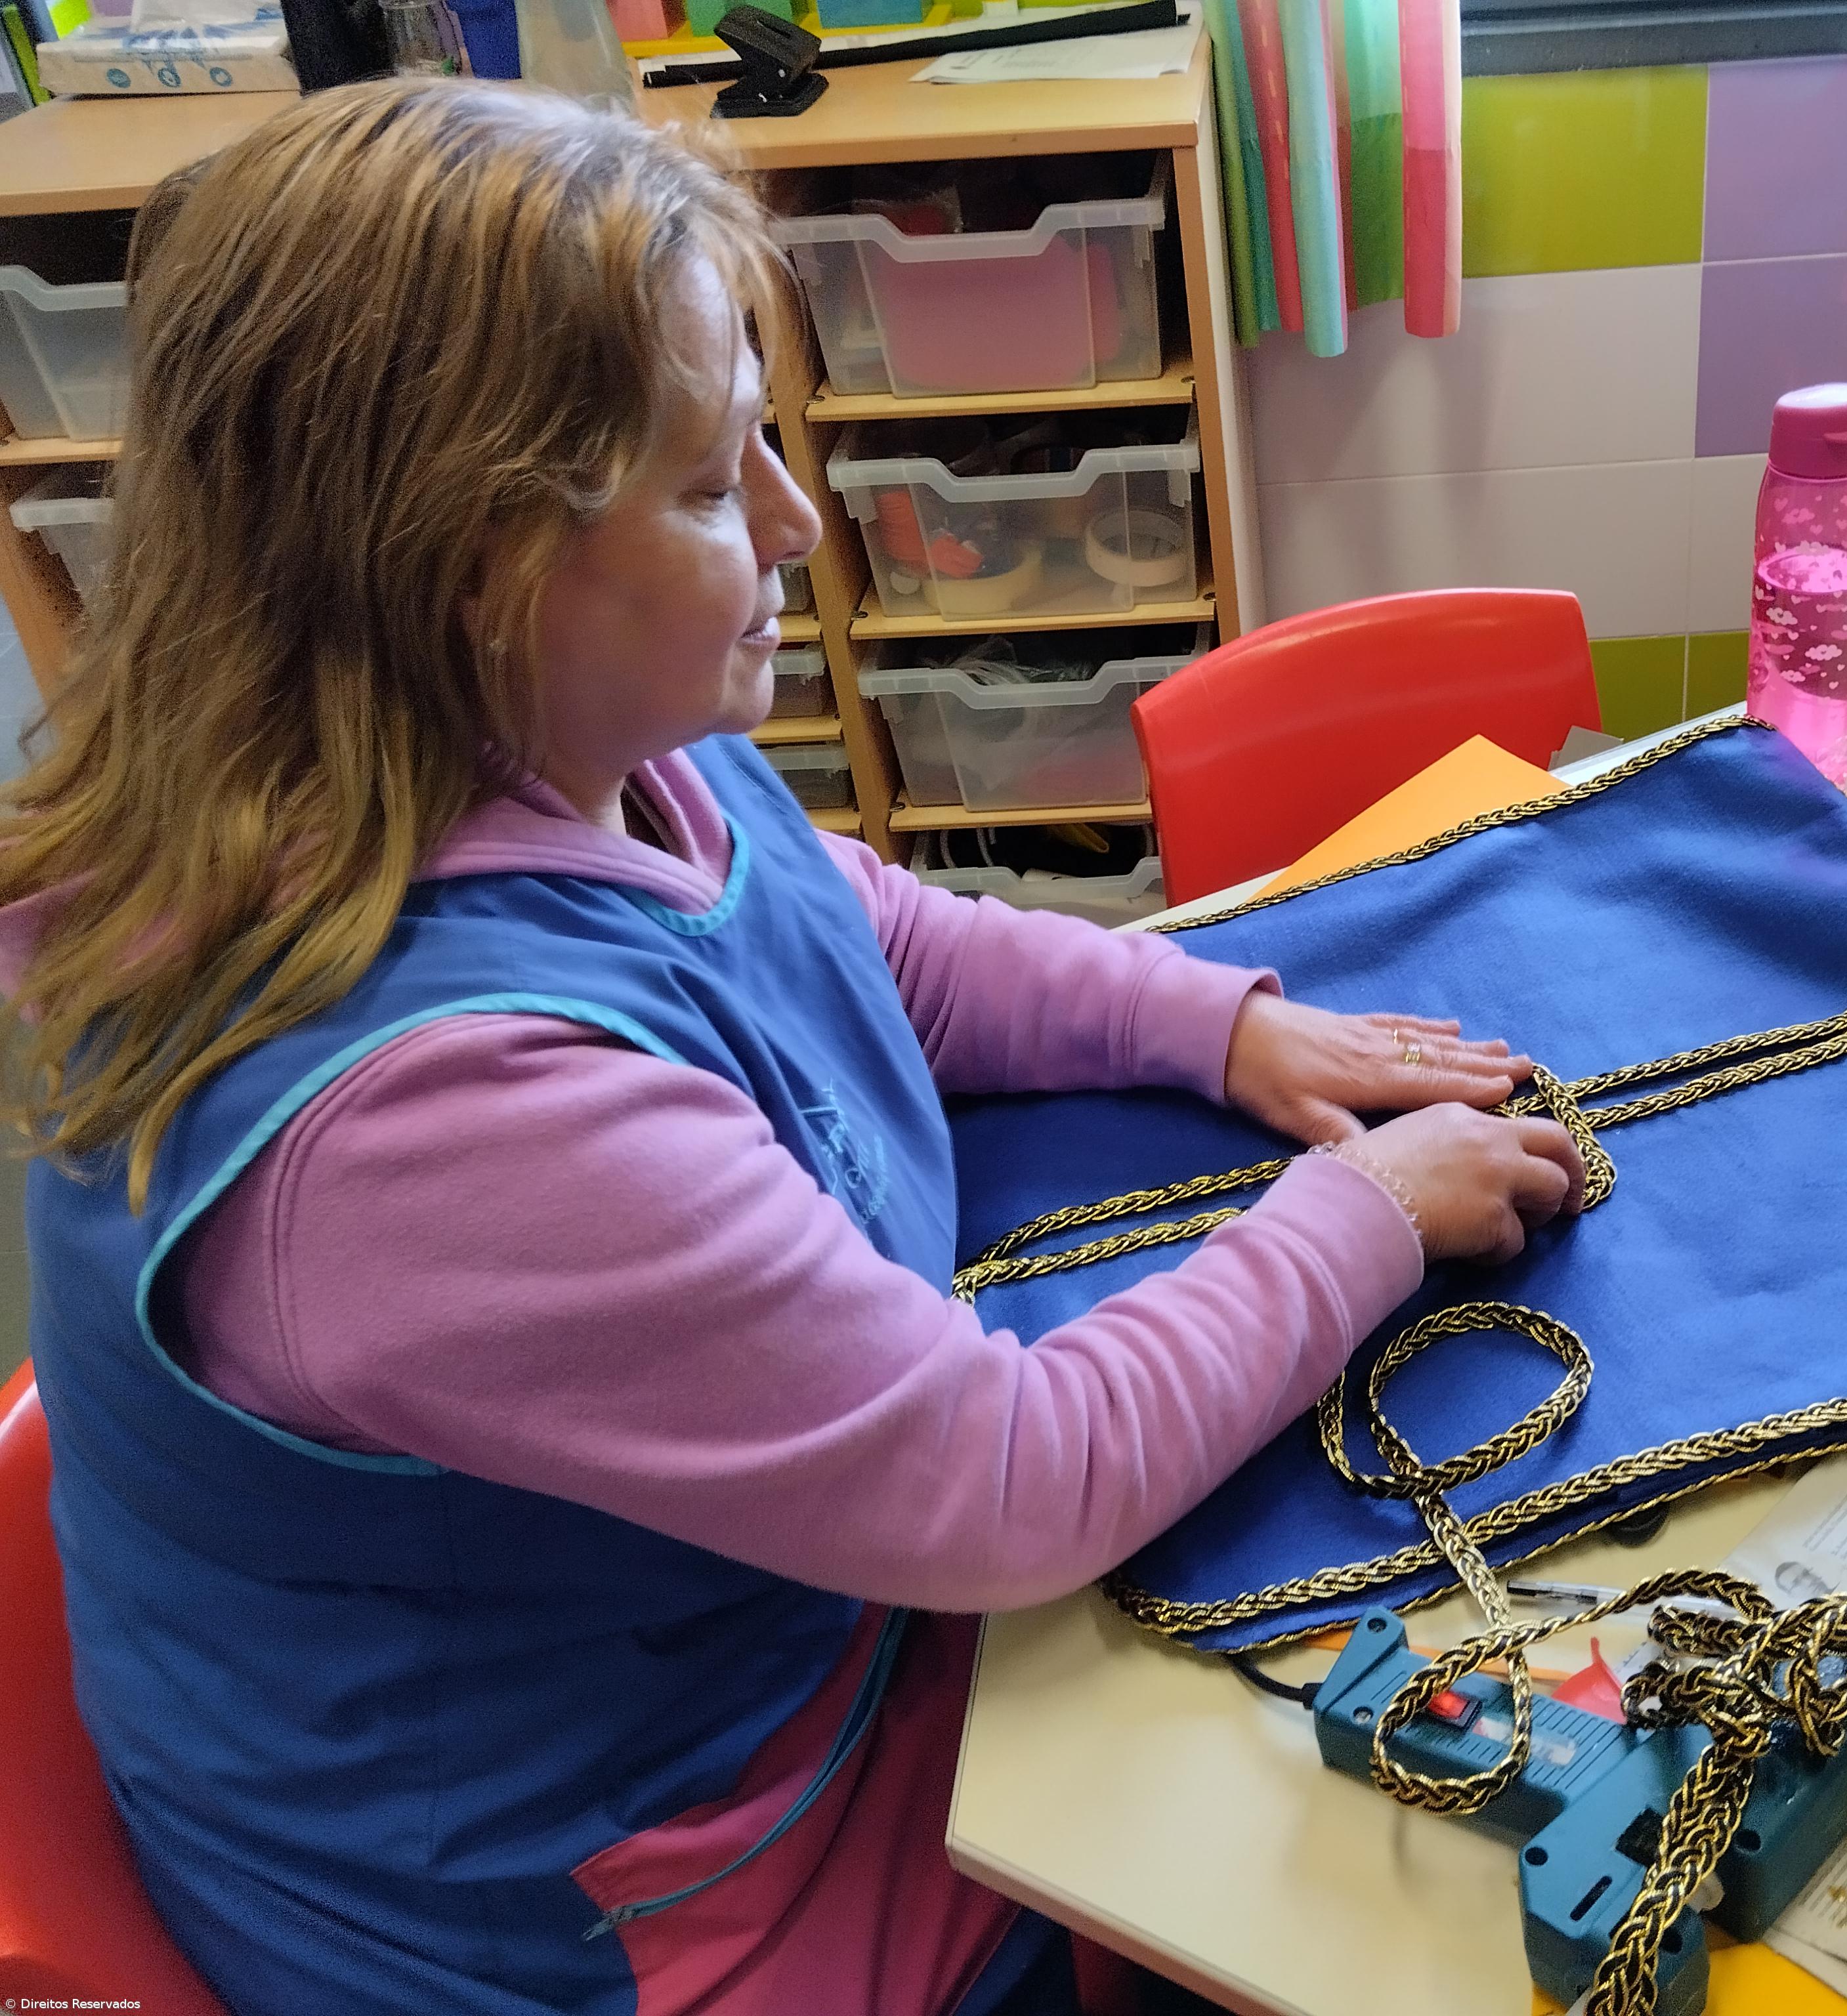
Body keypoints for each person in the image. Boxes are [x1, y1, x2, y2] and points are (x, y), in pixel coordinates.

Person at [1, 81, 1586, 2015]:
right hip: (616, 1909)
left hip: (704, 1663)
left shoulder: (551, 736)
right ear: (465, 573)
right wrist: (1367, 1214)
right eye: (700, 485)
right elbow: (1009, 1484)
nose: (792, 516)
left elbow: (856, 931)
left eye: (761, 434)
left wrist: (1222, 1026)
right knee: (1346, 1871)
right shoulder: (423, 1124)